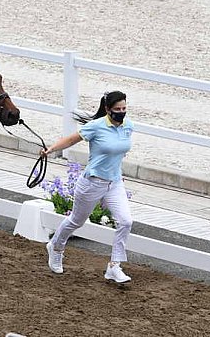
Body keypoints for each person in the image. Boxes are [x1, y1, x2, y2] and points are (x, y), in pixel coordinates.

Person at [40, 90, 134, 283]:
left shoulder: (128, 126)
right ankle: (56, 246)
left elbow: (118, 153)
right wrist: (51, 150)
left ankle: (114, 266)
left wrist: (117, 172)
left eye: (124, 108)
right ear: (108, 109)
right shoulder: (96, 127)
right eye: (117, 109)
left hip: (114, 183)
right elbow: (72, 139)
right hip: (92, 182)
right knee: (76, 221)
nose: (122, 112)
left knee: (126, 222)